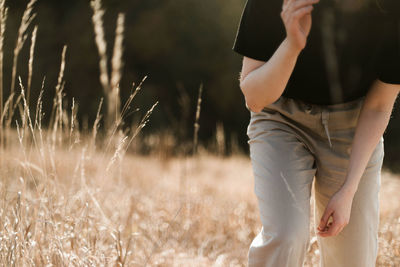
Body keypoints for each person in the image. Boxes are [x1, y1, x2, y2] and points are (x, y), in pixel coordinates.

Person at [232, 0, 400, 266]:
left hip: (353, 125)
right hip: (281, 118)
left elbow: (379, 106)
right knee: (286, 237)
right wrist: (292, 45)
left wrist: (349, 189)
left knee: (352, 260)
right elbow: (254, 98)